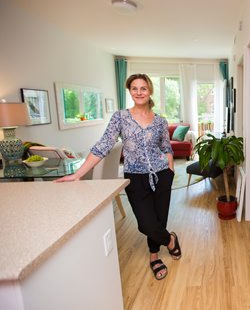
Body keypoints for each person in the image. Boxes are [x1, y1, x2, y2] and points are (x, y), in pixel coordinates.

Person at [55, 73, 181, 280]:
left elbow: (166, 147)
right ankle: (171, 241)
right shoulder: (120, 117)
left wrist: (170, 169)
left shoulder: (160, 121)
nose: (139, 92)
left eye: (143, 88)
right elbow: (103, 145)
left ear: (150, 91)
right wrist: (78, 174)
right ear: (130, 91)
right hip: (135, 177)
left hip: (161, 175)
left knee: (159, 219)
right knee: (146, 223)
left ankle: (154, 256)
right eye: (134, 88)